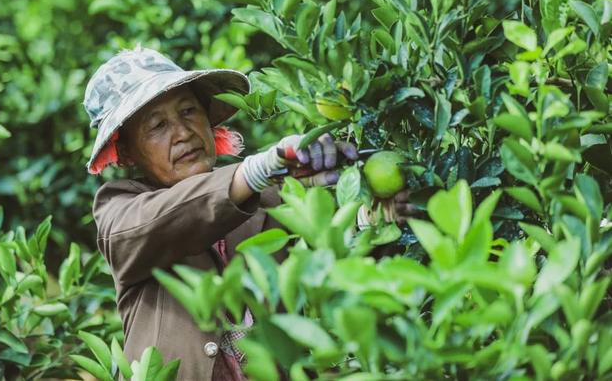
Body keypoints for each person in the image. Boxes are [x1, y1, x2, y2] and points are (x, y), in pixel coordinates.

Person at [83, 46, 413, 380]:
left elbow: (322, 265)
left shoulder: (266, 199)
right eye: (157, 126)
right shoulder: (120, 208)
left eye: (188, 111)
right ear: (125, 152)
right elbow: (160, 222)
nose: (183, 133)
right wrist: (257, 171)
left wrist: (370, 223)